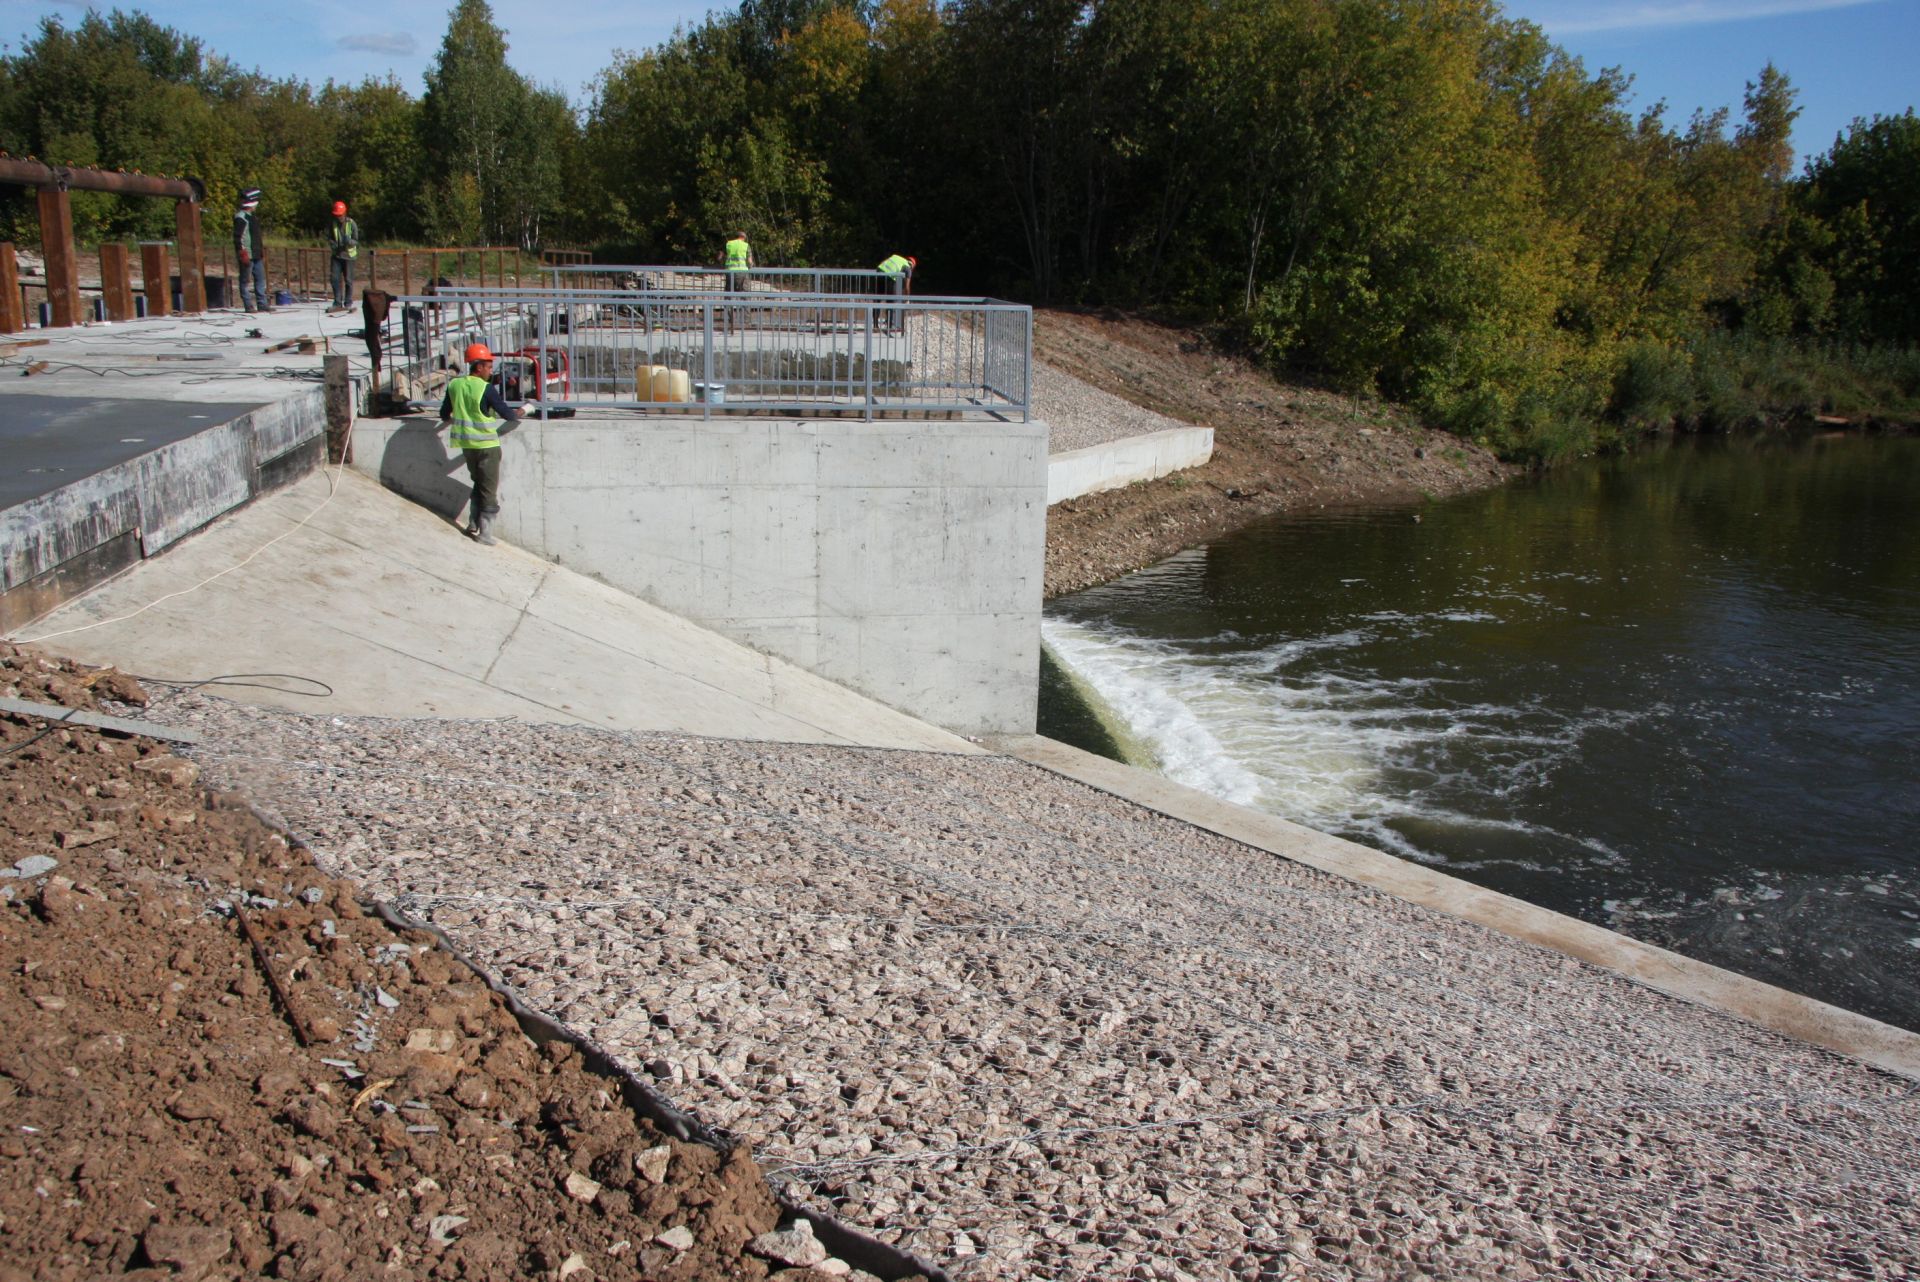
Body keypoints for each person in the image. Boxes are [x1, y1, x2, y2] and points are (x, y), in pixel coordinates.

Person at [438, 342, 522, 545]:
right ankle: (485, 534)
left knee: (478, 483)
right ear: (478, 367)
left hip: (467, 446)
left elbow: (444, 414)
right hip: (486, 447)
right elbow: (508, 414)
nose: (490, 371)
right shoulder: (486, 389)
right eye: (488, 366)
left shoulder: (455, 385)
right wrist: (524, 411)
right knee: (488, 490)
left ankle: (473, 524)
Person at [233, 188, 269, 313]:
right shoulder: (241, 217)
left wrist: (260, 251)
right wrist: (242, 253)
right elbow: (238, 237)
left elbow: (256, 236)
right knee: (245, 280)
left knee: (260, 279)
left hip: (256, 253)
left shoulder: (252, 217)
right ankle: (248, 305)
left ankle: (262, 304)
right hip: (247, 254)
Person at [328, 200, 359, 310]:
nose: (338, 217)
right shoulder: (333, 224)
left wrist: (349, 241)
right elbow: (330, 237)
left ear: (344, 213)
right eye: (336, 215)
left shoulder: (351, 224)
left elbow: (356, 240)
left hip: (349, 256)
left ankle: (348, 302)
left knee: (348, 280)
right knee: (334, 279)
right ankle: (337, 302)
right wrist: (333, 244)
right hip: (337, 256)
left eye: (340, 215)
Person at [878, 252, 915, 333]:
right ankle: (889, 326)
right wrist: (907, 299)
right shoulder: (908, 268)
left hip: (879, 273)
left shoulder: (897, 257)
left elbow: (882, 263)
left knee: (877, 299)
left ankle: (875, 326)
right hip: (889, 278)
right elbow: (907, 287)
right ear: (912, 265)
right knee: (891, 302)